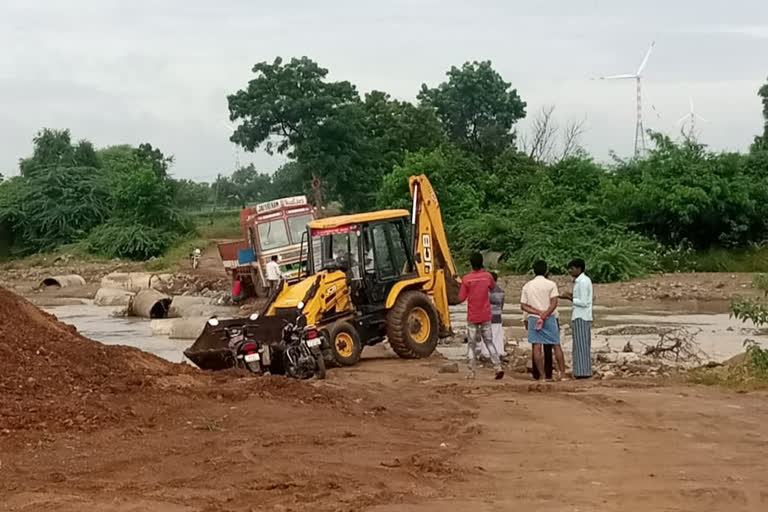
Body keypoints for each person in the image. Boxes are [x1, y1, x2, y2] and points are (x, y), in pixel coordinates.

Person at [459, 253, 504, 380]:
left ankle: (471, 371)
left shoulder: (466, 279)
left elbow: (461, 298)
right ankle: (498, 367)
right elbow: (493, 287)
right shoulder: (487, 276)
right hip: (486, 315)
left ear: (471, 263)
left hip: (473, 316)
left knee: (471, 344)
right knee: (489, 341)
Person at [520, 260, 566, 381]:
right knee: (556, 344)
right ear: (546, 270)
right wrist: (545, 313)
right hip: (549, 317)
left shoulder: (527, 286)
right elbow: (554, 302)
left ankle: (542, 376)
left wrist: (538, 313)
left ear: (533, 271)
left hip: (534, 318)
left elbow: (523, 306)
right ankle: (563, 374)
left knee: (536, 346)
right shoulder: (551, 284)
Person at [560, 258, 594, 379]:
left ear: (579, 269)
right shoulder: (580, 281)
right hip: (580, 315)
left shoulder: (583, 282)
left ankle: (582, 372)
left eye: (572, 268)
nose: (570, 271)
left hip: (582, 316)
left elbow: (584, 302)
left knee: (581, 345)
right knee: (580, 345)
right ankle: (581, 371)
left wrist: (569, 298)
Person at [480, 272, 505, 360]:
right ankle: (498, 352)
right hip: (497, 316)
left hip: (486, 316)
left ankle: (486, 353)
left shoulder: (485, 291)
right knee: (497, 335)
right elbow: (501, 305)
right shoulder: (501, 291)